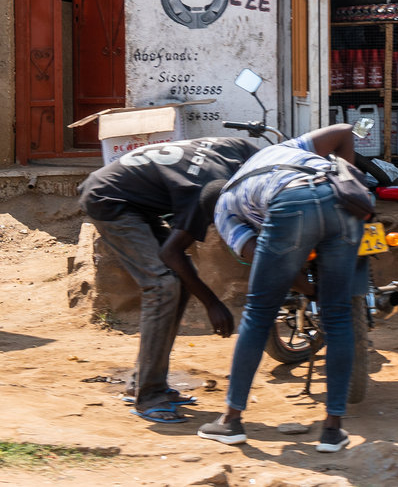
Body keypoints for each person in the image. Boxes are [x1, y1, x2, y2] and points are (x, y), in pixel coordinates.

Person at [198, 124, 364, 453]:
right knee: (339, 316)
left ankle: (230, 422)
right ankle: (333, 431)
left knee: (258, 315)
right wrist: (351, 178)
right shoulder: (271, 154)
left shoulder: (224, 209)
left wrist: (308, 290)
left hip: (292, 202)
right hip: (344, 200)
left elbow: (261, 255)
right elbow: (345, 131)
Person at [77, 135, 264, 424]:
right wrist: (213, 304)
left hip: (130, 197)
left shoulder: (244, 151)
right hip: (109, 200)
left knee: (178, 282)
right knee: (163, 285)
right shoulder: (207, 193)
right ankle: (149, 397)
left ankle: (143, 381)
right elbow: (171, 253)